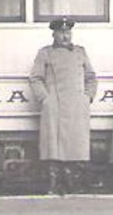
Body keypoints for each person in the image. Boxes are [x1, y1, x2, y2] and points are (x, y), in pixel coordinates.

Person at [28, 18, 96, 195]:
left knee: (75, 145)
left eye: (67, 32)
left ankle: (74, 183)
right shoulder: (45, 53)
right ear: (54, 34)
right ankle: (53, 183)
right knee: (53, 145)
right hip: (55, 105)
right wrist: (45, 99)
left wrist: (87, 97)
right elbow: (35, 78)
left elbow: (91, 77)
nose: (65, 36)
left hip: (76, 105)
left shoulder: (80, 52)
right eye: (61, 33)